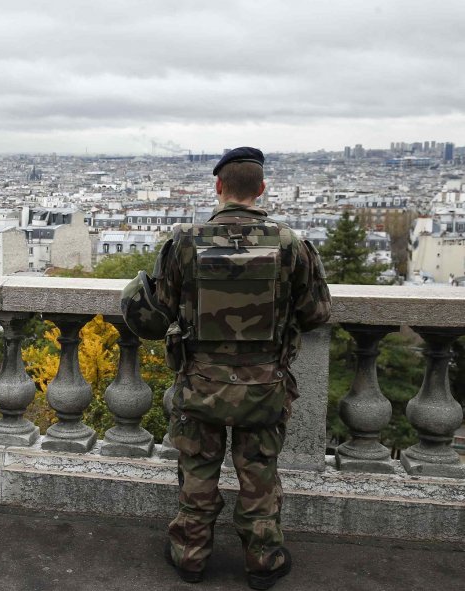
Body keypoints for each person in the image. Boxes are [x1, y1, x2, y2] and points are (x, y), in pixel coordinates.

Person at [121, 147, 331, 590]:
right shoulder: (291, 243)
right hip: (265, 384)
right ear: (261, 189)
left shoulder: (184, 241)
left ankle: (190, 556)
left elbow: (153, 318)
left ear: (218, 187)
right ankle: (263, 561)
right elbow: (315, 314)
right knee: (259, 476)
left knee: (197, 473)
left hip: (201, 383)